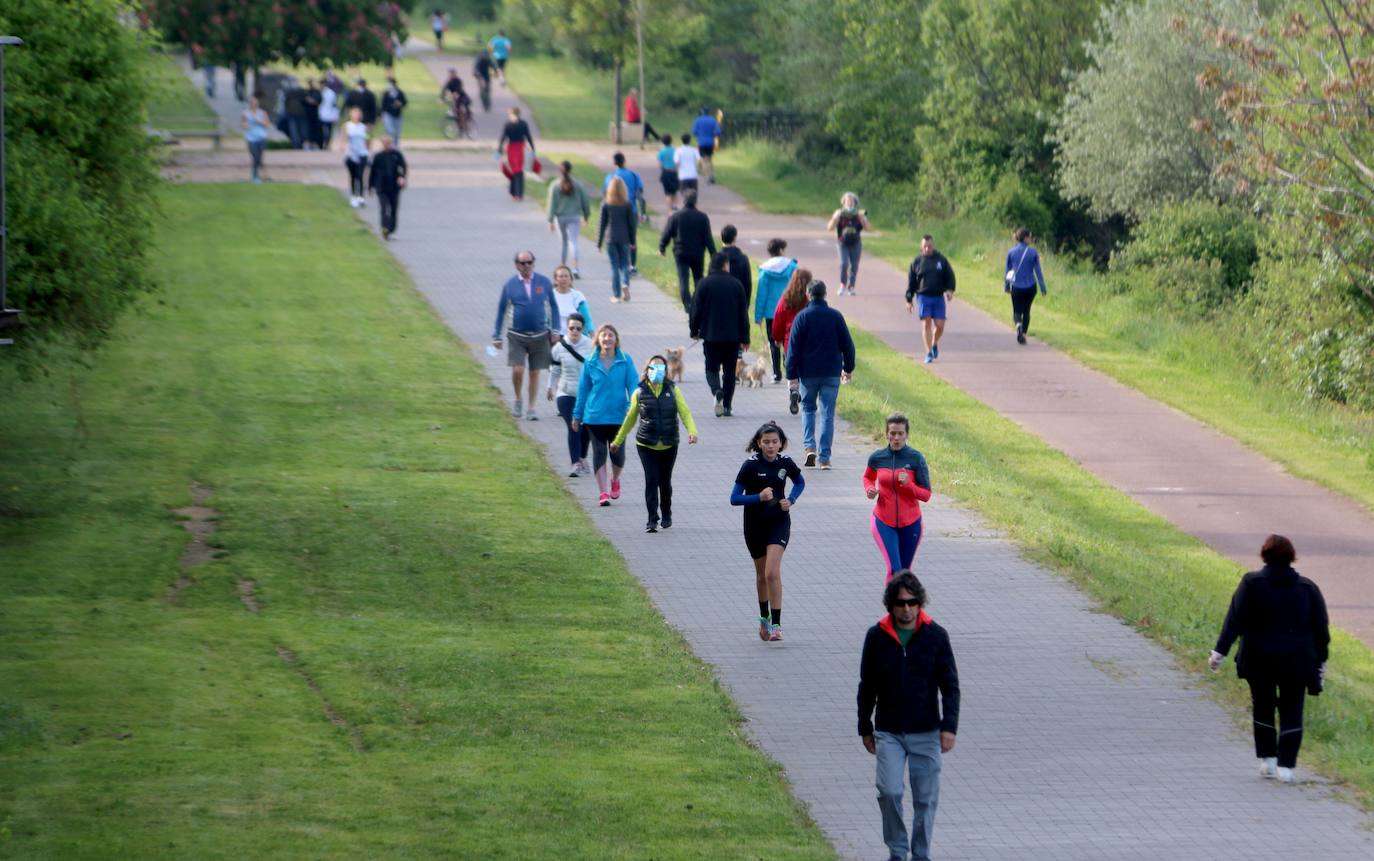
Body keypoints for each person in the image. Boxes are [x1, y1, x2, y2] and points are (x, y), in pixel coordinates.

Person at [1210, 535, 1330, 785]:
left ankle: (1268, 759)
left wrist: (1219, 651)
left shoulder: (1251, 584)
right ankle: (1286, 766)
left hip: (1258, 658)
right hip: (1297, 660)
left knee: (1262, 705)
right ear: (1291, 557)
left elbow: (1234, 620)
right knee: (1292, 708)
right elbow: (1321, 629)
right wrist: (1321, 660)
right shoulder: (1307, 588)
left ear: (1264, 555)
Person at [858, 571, 960, 861]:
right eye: (901, 603)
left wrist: (949, 727)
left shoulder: (936, 636)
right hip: (889, 732)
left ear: (920, 603)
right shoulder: (876, 636)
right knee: (889, 791)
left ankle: (921, 854)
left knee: (925, 800)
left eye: (912, 603)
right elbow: (867, 685)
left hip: (927, 732)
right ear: (891, 605)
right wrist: (864, 726)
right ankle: (897, 850)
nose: (907, 609)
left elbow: (950, 686)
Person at [731, 422, 805, 641]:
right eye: (766, 442)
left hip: (778, 522)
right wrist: (757, 497)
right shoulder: (750, 466)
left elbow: (800, 482)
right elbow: (734, 498)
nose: (771, 446)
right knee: (761, 575)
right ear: (759, 443)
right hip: (754, 524)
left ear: (781, 443)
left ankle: (776, 625)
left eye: (775, 442)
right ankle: (763, 619)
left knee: (772, 572)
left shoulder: (786, 463)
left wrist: (791, 499)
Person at [611, 355, 699, 532]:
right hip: (646, 444)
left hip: (668, 443)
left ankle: (666, 514)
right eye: (653, 367)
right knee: (651, 480)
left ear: (666, 371)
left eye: (661, 368)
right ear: (647, 370)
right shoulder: (639, 392)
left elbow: (685, 412)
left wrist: (692, 431)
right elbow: (630, 419)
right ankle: (652, 519)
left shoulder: (672, 390)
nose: (657, 371)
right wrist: (618, 441)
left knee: (665, 482)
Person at [785, 279, 855, 469]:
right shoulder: (835, 317)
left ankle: (809, 448)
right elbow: (848, 345)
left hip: (808, 374)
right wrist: (848, 368)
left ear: (808, 295)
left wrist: (791, 374)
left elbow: (793, 349)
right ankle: (825, 457)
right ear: (825, 295)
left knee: (808, 408)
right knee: (827, 413)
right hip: (831, 372)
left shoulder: (802, 317)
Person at [572, 324, 637, 506]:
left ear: (616, 339)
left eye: (610, 335)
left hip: (619, 417)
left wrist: (631, 405)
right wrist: (577, 415)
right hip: (595, 417)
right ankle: (603, 493)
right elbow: (583, 390)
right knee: (599, 453)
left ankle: (615, 479)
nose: (607, 338)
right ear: (598, 340)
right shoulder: (590, 362)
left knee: (618, 456)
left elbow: (633, 385)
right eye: (603, 335)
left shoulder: (625, 361)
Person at [491, 251, 560, 421]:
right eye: (522, 263)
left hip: (540, 334)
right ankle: (517, 398)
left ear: (534, 263)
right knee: (518, 369)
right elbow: (501, 310)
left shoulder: (543, 282)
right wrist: (497, 336)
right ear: (516, 265)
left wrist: (556, 330)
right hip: (516, 335)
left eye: (529, 262)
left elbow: (553, 307)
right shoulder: (510, 285)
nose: (526, 266)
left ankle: (531, 407)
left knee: (535, 372)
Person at [864, 414, 932, 582]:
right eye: (893, 433)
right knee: (895, 570)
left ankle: (903, 606)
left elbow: (926, 495)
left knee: (905, 571)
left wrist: (909, 485)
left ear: (907, 434)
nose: (896, 438)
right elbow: (868, 477)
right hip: (883, 521)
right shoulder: (877, 458)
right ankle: (892, 607)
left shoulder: (916, 458)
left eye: (900, 433)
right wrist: (870, 489)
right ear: (886, 434)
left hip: (911, 522)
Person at [691, 252, 751, 417]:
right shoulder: (736, 284)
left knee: (711, 369)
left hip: (711, 336)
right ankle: (727, 406)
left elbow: (695, 310)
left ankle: (717, 391)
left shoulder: (704, 284)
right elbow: (743, 314)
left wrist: (694, 330)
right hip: (732, 338)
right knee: (730, 372)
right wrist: (745, 338)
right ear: (726, 265)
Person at [548, 311, 594, 477]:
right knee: (573, 427)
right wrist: (550, 387)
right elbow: (554, 370)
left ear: (582, 329)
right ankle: (575, 463)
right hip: (565, 392)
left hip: (587, 394)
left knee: (586, 428)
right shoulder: (559, 347)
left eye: (578, 328)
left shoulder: (591, 346)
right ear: (567, 328)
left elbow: (596, 369)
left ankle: (582, 457)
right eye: (571, 328)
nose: (574, 331)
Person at [658, 191, 716, 314]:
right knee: (698, 280)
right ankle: (697, 304)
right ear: (695, 201)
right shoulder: (702, 217)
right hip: (697, 253)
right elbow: (708, 238)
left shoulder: (676, 216)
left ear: (683, 201)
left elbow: (667, 233)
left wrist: (662, 247)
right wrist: (713, 254)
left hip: (681, 253)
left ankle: (688, 307)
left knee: (683, 280)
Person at [905, 235, 957, 364]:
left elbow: (950, 276)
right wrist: (909, 299)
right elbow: (911, 282)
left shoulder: (941, 260)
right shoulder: (916, 262)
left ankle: (934, 342)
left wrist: (950, 290)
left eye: (930, 246)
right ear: (921, 247)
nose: (927, 249)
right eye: (925, 247)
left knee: (940, 326)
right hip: (923, 297)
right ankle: (928, 353)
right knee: (926, 323)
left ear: (933, 246)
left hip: (938, 297)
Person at [756, 239, 796, 384]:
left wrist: (758, 315)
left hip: (770, 312)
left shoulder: (765, 270)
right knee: (789, 339)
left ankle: (776, 373)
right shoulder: (791, 266)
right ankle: (788, 367)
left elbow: (762, 294)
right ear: (780, 250)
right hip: (789, 309)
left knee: (773, 342)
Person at [597, 176, 638, 304]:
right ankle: (625, 283)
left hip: (611, 238)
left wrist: (599, 242)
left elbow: (602, 224)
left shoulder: (606, 204)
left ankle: (616, 295)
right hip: (624, 238)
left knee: (614, 266)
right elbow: (632, 224)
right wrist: (633, 241)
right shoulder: (627, 205)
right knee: (625, 264)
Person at [604, 152, 647, 273]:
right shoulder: (634, 175)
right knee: (632, 237)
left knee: (616, 236)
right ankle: (632, 265)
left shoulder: (610, 177)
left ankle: (620, 263)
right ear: (624, 161)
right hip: (631, 210)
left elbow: (606, 194)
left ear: (614, 163)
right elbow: (640, 195)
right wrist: (643, 212)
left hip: (614, 211)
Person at [1004, 227, 1047, 344]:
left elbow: (1008, 271)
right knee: (1026, 311)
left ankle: (1018, 326)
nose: (1032, 239)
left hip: (1016, 287)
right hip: (1030, 286)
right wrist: (1043, 287)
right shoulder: (1033, 253)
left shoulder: (1011, 252)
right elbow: (1038, 271)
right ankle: (1023, 334)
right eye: (1030, 237)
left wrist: (1006, 286)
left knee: (1017, 311)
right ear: (1026, 238)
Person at [548, 161, 591, 276]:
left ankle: (562, 267)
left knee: (564, 243)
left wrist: (550, 220)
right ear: (570, 170)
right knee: (574, 242)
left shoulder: (555, 185)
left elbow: (552, 204)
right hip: (574, 216)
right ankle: (575, 268)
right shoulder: (578, 185)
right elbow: (585, 202)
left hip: (560, 217)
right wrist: (586, 216)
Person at [827, 193, 870, 296]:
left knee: (854, 265)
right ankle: (842, 284)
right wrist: (835, 217)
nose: (849, 203)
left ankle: (851, 286)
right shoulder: (840, 214)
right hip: (842, 242)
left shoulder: (858, 215)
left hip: (856, 242)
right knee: (844, 264)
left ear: (855, 203)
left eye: (851, 201)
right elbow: (829, 228)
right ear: (843, 202)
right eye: (847, 201)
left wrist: (863, 218)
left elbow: (868, 228)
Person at [367, 135, 407, 240]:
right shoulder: (378, 156)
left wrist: (402, 178)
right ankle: (385, 227)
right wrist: (370, 187)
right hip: (381, 187)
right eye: (385, 143)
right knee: (384, 208)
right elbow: (372, 172)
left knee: (393, 209)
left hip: (394, 187)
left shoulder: (397, 155)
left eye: (388, 143)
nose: (387, 145)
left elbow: (403, 167)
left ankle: (391, 228)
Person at [498, 107, 536, 201]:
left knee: (514, 171)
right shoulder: (523, 124)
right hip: (520, 148)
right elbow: (528, 136)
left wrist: (499, 150)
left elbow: (503, 137)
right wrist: (533, 149)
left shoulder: (508, 124)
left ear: (512, 114)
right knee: (519, 172)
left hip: (511, 148)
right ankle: (519, 194)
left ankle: (514, 193)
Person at [340, 107, 370, 208]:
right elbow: (343, 139)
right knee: (353, 176)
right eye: (355, 114)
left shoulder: (363, 127)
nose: (356, 116)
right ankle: (353, 196)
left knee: (360, 175)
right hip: (351, 154)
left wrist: (367, 149)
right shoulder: (347, 126)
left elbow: (367, 139)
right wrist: (344, 147)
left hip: (362, 154)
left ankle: (361, 196)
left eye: (358, 114)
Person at [550, 264, 592, 337]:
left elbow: (587, 318)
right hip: (555, 336)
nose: (564, 279)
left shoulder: (578, 296)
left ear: (571, 279)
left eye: (566, 276)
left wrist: (592, 333)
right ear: (556, 280)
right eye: (561, 276)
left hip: (574, 336)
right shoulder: (550, 295)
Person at [240, 95, 270, 184]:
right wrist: (246, 125)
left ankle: (258, 175)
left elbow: (267, 124)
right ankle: (255, 176)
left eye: (255, 103)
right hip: (251, 138)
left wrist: (258, 121)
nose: (253, 104)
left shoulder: (262, 113)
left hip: (261, 137)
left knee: (259, 158)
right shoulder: (245, 113)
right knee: (255, 156)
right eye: (251, 103)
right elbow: (242, 124)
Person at [691, 106, 723, 184]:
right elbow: (718, 132)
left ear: (701, 112)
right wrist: (712, 134)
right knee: (709, 159)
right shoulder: (713, 120)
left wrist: (700, 134)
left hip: (702, 142)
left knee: (705, 160)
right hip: (711, 142)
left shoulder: (698, 120)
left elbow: (694, 131)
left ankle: (709, 177)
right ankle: (711, 175)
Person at [381, 77, 408, 146]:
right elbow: (383, 105)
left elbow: (405, 102)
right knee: (390, 131)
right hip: (388, 114)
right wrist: (382, 116)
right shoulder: (386, 93)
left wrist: (400, 104)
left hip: (398, 115)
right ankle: (390, 145)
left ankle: (396, 146)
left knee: (397, 132)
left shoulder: (400, 93)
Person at [656, 134, 680, 211]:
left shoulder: (661, 152)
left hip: (666, 173)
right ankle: (675, 207)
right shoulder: (675, 150)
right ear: (671, 141)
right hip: (674, 172)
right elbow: (677, 162)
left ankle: (669, 210)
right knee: (675, 192)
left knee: (667, 193)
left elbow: (659, 165)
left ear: (663, 142)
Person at [283, 81, 308, 149]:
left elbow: (286, 103)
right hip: (296, 114)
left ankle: (297, 145)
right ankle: (297, 145)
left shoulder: (291, 93)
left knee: (297, 131)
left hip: (297, 114)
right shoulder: (301, 93)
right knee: (298, 131)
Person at [317, 79, 340, 149]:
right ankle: (322, 144)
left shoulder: (330, 93)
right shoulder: (320, 92)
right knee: (322, 131)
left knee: (328, 131)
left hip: (329, 115)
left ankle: (326, 144)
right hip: (322, 114)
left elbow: (334, 104)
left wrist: (335, 115)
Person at [304, 79, 323, 149]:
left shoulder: (316, 92)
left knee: (315, 130)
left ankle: (315, 143)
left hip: (315, 114)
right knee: (308, 130)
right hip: (307, 114)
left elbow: (318, 101)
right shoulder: (306, 92)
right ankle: (309, 143)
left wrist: (310, 101)